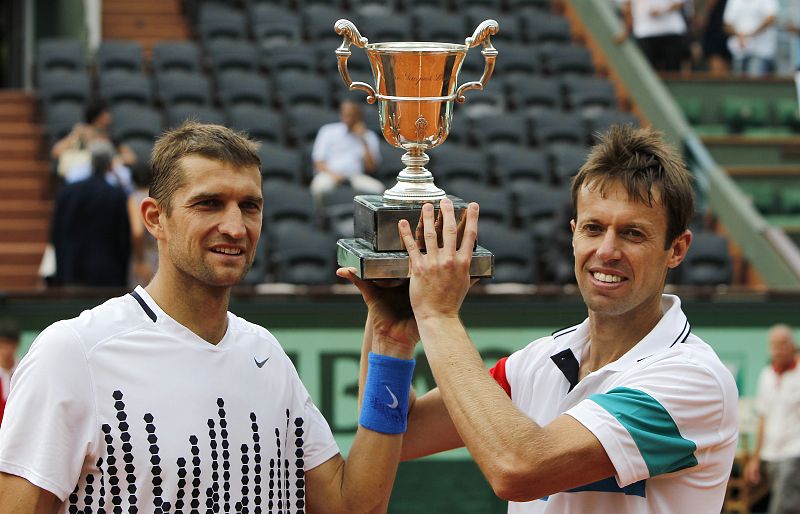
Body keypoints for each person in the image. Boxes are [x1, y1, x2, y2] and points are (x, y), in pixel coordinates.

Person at [0, 122, 415, 513]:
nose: (235, 227)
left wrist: (391, 344)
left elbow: (353, 506)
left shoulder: (266, 353)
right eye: (209, 204)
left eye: (249, 206)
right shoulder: (73, 353)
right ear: (154, 218)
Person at [339, 125, 739, 513]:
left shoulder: (692, 379)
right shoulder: (537, 363)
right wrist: (390, 335)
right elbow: (401, 432)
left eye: (633, 234)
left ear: (677, 248)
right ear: (573, 233)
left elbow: (519, 469)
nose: (607, 250)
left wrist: (439, 315)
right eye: (593, 229)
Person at [51, 139, 131, 287]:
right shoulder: (117, 195)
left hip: (71, 268)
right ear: (109, 164)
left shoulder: (67, 192)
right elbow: (122, 238)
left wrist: (61, 268)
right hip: (107, 271)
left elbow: (57, 233)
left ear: (91, 162)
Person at [744, 324, 800, 514]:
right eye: (774, 344)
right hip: (771, 454)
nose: (779, 349)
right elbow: (762, 418)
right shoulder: (766, 375)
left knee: (783, 507)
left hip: (794, 451)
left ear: (792, 345)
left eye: (783, 344)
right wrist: (755, 458)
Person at [310, 100, 385, 204]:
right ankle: (320, 218)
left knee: (378, 189)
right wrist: (334, 175)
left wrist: (363, 140)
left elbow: (371, 167)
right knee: (319, 188)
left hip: (355, 176)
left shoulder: (369, 136)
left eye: (352, 116)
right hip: (329, 174)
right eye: (346, 115)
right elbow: (318, 162)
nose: (348, 119)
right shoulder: (327, 131)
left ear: (359, 116)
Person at [615, 0, 690, 72]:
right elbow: (628, 8)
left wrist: (662, 11)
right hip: (644, 34)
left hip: (671, 32)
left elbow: (680, 3)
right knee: (647, 71)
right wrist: (625, 32)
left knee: (673, 69)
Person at [723, 0, 779, 77]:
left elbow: (771, 18)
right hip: (739, 51)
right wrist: (740, 36)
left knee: (754, 82)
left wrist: (750, 35)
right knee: (739, 82)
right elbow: (727, 23)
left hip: (761, 52)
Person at [127, 161, 158, 287]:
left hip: (146, 254)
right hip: (163, 253)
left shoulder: (135, 198)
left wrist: (140, 260)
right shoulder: (159, 197)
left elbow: (137, 232)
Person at [0, 319, 20, 427]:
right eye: (2, 345)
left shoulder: (23, 371)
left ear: (16, 345)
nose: (5, 351)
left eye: (9, 344)